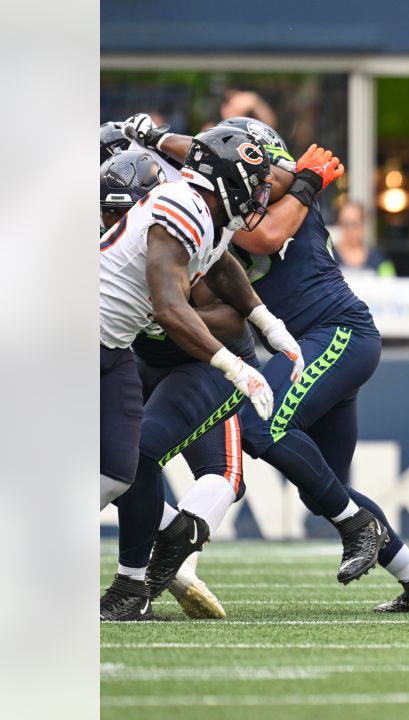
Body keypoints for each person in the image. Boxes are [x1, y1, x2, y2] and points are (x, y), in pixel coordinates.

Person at [127, 114, 409, 612]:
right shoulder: (197, 203)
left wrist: (302, 181)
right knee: (327, 489)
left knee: (262, 428)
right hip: (300, 346)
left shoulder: (275, 186)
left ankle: (360, 530)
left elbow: (259, 229)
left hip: (335, 333)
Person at [99, 126, 304, 621]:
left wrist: (268, 324)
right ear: (224, 178)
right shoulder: (183, 205)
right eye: (252, 184)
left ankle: (132, 587)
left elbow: (219, 263)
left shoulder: (208, 211)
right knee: (100, 474)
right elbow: (169, 307)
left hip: (117, 348)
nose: (258, 196)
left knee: (121, 468)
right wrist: (236, 366)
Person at [100, 147, 243, 619]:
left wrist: (175, 320)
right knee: (118, 463)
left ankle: (134, 583)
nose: (110, 220)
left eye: (118, 210)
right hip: (126, 352)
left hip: (194, 361)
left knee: (131, 461)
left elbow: (226, 312)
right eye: (105, 211)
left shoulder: (179, 225)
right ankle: (170, 537)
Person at [334, 201, 395, 278]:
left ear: (363, 225)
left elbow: (390, 284)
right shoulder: (327, 258)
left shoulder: (379, 259)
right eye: (345, 223)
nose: (350, 229)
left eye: (354, 224)